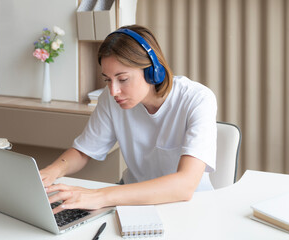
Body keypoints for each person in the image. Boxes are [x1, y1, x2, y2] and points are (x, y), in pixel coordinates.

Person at [40, 25, 217, 214]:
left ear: (153, 71)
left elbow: (185, 184)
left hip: (189, 207)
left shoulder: (197, 99)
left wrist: (99, 196)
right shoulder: (110, 100)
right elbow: (84, 151)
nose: (114, 91)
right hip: (132, 203)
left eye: (122, 79)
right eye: (107, 79)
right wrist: (51, 172)